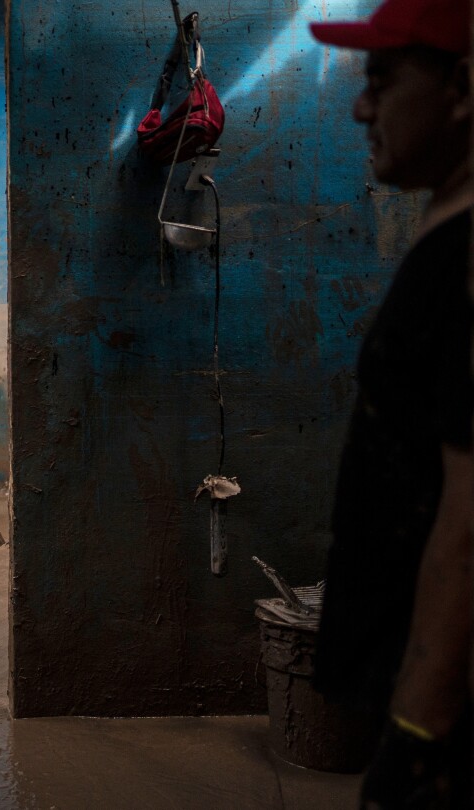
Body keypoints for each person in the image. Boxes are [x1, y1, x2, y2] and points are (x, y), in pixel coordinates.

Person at [308, 0, 472, 804]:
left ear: (463, 86)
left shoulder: (465, 262)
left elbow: (470, 519)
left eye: (382, 81)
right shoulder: (446, 233)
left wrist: (419, 729)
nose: (360, 106)